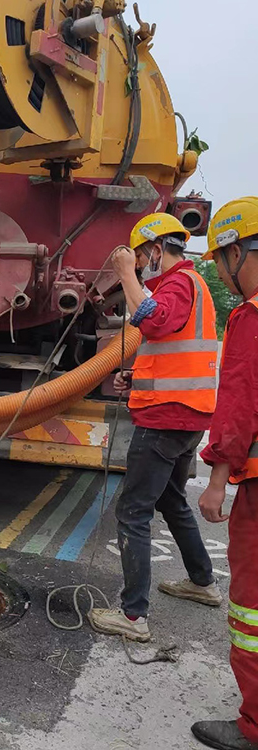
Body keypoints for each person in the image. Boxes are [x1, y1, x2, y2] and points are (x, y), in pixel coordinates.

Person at [88, 213, 221, 643]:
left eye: (142, 256)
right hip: (182, 414)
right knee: (171, 500)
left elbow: (154, 321)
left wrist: (125, 273)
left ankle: (133, 618)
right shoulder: (186, 286)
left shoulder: (180, 283)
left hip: (166, 419)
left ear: (155, 250)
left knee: (133, 511)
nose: (140, 264)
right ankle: (203, 582)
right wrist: (134, 379)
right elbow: (169, 349)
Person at [192, 197, 258, 750]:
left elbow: (238, 405)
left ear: (237, 251)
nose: (221, 273)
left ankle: (254, 726)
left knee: (252, 609)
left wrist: (218, 480)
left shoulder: (252, 315)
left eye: (221, 261)